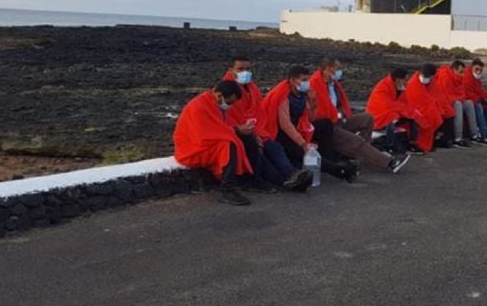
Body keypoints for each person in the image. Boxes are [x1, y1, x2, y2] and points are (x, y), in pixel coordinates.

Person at [225, 58, 312, 193]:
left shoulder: (252, 89)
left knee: (273, 146)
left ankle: (291, 174)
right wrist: (248, 132)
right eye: (241, 69)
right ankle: (284, 180)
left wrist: (258, 133)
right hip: (237, 133)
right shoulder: (225, 90)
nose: (246, 73)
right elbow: (226, 118)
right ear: (231, 70)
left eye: (248, 69)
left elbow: (259, 114)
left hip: (255, 129)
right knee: (258, 152)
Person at [309, 60, 411, 174]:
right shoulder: (315, 84)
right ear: (325, 70)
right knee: (356, 140)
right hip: (328, 126)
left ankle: (363, 155)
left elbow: (338, 104)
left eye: (339, 68)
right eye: (336, 69)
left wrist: (342, 114)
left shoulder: (333, 85)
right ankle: (390, 163)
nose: (339, 71)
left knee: (367, 118)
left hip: (339, 120)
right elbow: (318, 111)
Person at [173, 81, 255, 206]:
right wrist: (236, 130)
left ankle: (251, 179)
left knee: (247, 138)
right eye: (229, 103)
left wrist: (238, 129)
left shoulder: (213, 103)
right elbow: (204, 134)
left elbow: (222, 124)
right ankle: (227, 189)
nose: (230, 106)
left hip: (207, 141)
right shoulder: (199, 106)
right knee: (228, 144)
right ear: (219, 95)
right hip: (193, 147)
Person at [367, 68, 428, 155]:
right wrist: (405, 110)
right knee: (392, 118)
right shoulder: (383, 87)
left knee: (412, 117)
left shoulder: (398, 87)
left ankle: (412, 143)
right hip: (377, 114)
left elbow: (404, 102)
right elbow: (384, 104)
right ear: (398, 79)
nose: (406, 82)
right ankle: (390, 145)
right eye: (405, 79)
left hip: (393, 110)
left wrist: (409, 111)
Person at [437, 61, 487, 147]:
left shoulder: (459, 78)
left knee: (469, 103)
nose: (462, 74)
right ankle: (458, 139)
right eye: (460, 72)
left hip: (456, 100)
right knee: (458, 105)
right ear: (453, 70)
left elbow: (462, 93)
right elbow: (445, 95)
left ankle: (474, 136)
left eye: (463, 72)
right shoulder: (445, 77)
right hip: (446, 104)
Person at [403, 64, 446, 152]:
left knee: (436, 113)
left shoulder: (432, 83)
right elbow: (411, 100)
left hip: (426, 108)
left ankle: (429, 143)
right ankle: (420, 145)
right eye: (424, 75)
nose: (424, 78)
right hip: (415, 110)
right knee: (429, 116)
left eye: (427, 76)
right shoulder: (413, 83)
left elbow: (437, 96)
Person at [463, 58, 487, 143]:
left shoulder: (475, 78)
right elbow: (467, 94)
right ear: (472, 67)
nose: (478, 72)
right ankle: (484, 134)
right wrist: (484, 99)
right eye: (477, 69)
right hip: (467, 101)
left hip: (474, 99)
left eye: (480, 70)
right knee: (479, 106)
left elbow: (479, 90)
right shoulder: (467, 77)